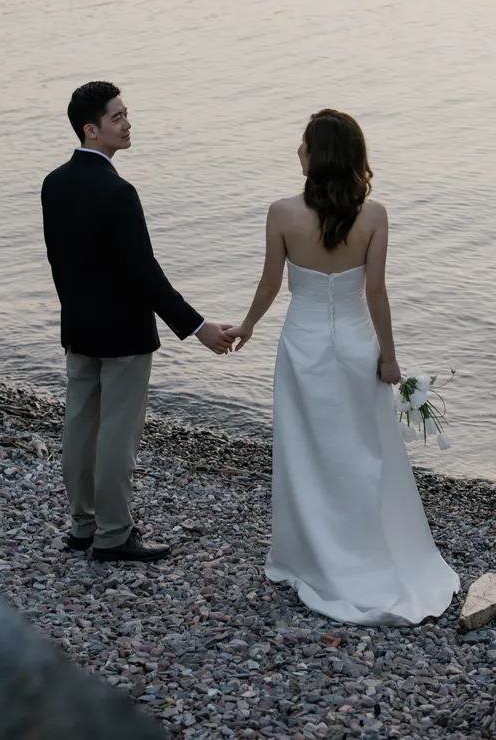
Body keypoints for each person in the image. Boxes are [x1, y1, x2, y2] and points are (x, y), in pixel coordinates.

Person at [226, 109, 459, 624]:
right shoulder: (373, 215)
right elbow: (375, 292)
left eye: (303, 143)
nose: (297, 151)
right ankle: (372, 550)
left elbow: (269, 285)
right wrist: (390, 358)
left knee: (306, 451)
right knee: (364, 450)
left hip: (303, 348)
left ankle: (310, 556)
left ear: (317, 154)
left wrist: (245, 327)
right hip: (357, 346)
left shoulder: (281, 212)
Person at [42, 81, 233, 563]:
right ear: (91, 129)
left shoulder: (54, 183)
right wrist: (198, 327)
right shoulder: (118, 192)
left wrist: (75, 315)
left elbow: (59, 263)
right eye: (117, 118)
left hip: (79, 328)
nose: (128, 124)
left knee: (80, 428)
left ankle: (83, 526)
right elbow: (144, 274)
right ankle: (112, 535)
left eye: (127, 114)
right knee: (116, 438)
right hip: (124, 333)